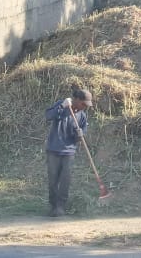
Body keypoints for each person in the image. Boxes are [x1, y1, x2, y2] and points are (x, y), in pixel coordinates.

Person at [44, 88, 93, 217]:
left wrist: (80, 134)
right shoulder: (63, 105)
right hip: (53, 150)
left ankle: (61, 206)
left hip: (69, 152)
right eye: (83, 104)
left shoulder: (82, 115)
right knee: (53, 179)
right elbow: (48, 116)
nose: (84, 107)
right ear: (77, 100)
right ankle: (53, 206)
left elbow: (80, 136)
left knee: (66, 180)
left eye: (86, 105)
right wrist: (61, 105)